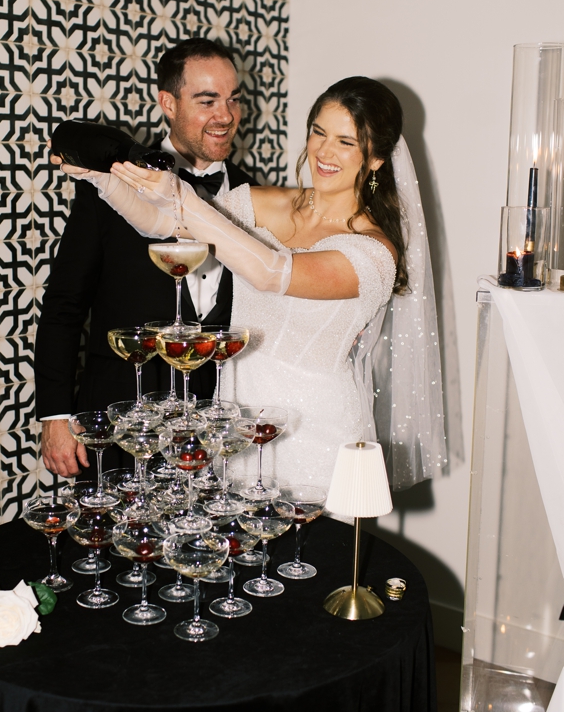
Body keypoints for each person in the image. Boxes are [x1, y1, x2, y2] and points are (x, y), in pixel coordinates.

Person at [71, 76, 446, 489]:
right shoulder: (263, 201)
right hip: (237, 423)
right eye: (319, 132)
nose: (324, 151)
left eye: (346, 141)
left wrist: (183, 196)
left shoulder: (374, 253)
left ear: (375, 158)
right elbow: (167, 224)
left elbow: (270, 273)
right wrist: (103, 180)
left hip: (315, 433)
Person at [35, 38, 254, 480]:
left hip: (211, 427)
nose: (226, 116)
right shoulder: (108, 185)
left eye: (233, 99)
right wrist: (55, 417)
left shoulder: (254, 196)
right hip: (120, 417)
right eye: (207, 100)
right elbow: (64, 305)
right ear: (167, 103)